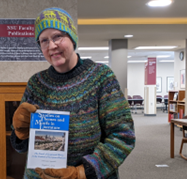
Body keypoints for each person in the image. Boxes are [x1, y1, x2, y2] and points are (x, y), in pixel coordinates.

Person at [10, 7, 135, 179]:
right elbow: (22, 147)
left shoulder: (100, 77)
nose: (52, 45)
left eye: (57, 37)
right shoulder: (36, 83)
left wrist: (82, 172)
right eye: (44, 40)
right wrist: (20, 133)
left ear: (72, 37)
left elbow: (123, 135)